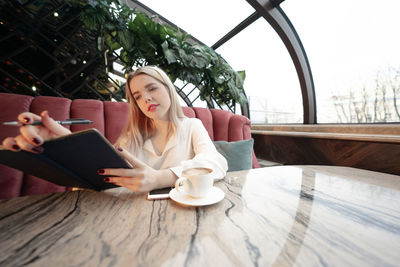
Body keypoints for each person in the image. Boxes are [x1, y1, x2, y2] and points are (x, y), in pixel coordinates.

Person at [2, 66, 228, 193]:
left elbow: (216, 163)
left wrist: (161, 178)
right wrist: (63, 143)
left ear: (169, 90)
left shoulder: (191, 125)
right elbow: (104, 170)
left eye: (152, 88)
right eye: (137, 96)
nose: (146, 98)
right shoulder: (132, 136)